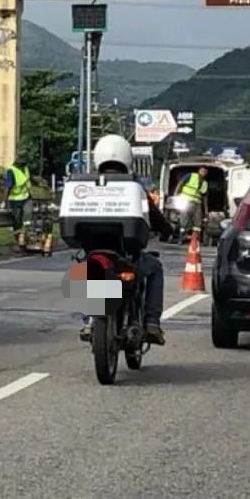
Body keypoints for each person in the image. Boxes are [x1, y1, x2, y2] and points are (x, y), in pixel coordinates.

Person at [78, 134, 172, 345]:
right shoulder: (134, 187)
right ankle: (152, 322)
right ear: (127, 158)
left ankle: (89, 319)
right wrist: (168, 230)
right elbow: (155, 216)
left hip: (94, 253)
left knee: (87, 271)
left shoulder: (88, 185)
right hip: (127, 255)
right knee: (155, 268)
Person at [3, 154, 35, 248]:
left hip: (26, 197)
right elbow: (8, 187)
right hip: (15, 199)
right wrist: (4, 201)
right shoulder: (11, 170)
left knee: (28, 216)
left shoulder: (25, 168)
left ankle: (27, 237)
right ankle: (19, 240)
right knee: (17, 221)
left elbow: (29, 179)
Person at [174, 166, 209, 239]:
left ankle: (195, 238)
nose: (203, 173)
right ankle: (182, 236)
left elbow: (205, 197)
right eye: (202, 171)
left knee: (197, 221)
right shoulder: (190, 176)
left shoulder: (205, 183)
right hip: (185, 200)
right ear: (198, 170)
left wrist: (206, 210)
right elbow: (180, 183)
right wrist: (175, 194)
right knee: (184, 219)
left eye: (205, 172)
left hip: (197, 203)